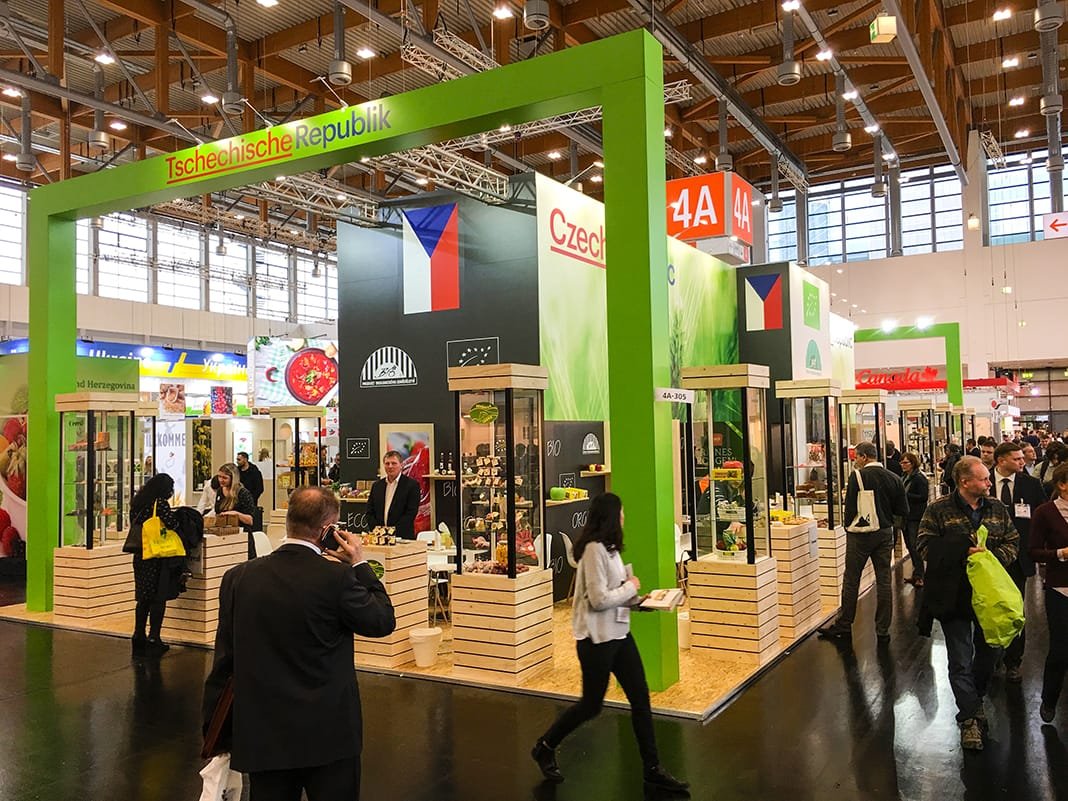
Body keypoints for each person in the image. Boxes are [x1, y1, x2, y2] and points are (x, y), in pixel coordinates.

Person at [202, 486, 396, 800]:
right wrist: (360, 564)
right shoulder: (338, 579)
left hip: (264, 734)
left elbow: (225, 661)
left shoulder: (238, 578)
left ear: (289, 520)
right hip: (329, 735)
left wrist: (214, 731)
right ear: (327, 531)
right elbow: (382, 621)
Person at [531, 493, 689, 795]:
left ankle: (652, 769)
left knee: (640, 699)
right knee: (591, 705)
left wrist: (642, 602)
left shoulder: (611, 550)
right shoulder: (593, 551)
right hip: (597, 641)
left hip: (619, 635)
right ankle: (545, 746)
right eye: (621, 513)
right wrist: (630, 587)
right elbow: (598, 599)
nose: (624, 518)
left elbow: (615, 593)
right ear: (610, 517)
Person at [917, 456, 1019, 751]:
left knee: (991, 653)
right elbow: (924, 546)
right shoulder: (938, 510)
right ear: (964, 482)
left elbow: (1013, 541)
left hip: (991, 595)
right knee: (960, 658)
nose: (989, 483)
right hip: (954, 595)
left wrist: (989, 560)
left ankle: (974, 699)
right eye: (984, 479)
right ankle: (969, 718)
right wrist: (963, 552)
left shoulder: (996, 508)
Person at [818, 441, 908, 644]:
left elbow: (850, 508)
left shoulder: (857, 476)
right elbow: (903, 510)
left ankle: (844, 624)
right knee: (884, 580)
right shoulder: (894, 478)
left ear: (864, 457)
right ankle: (883, 629)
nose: (855, 460)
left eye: (857, 456)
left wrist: (849, 527)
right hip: (884, 532)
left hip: (860, 535)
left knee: (852, 579)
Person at [989, 442, 1046, 682]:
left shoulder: (1031, 484)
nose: (1023, 462)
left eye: (1023, 458)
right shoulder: (982, 481)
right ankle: (990, 656)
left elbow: (1042, 515)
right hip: (987, 557)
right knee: (988, 607)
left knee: (1015, 607)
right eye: (1017, 459)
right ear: (1001, 460)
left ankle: (1013, 661)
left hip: (1018, 557)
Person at [1028, 462, 1068, 723]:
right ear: (1062, 485)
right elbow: (1033, 551)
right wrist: (1060, 554)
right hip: (1060, 588)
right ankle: (1049, 698)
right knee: (1060, 648)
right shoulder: (1045, 513)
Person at [124, 473, 181, 653]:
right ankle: (154, 637)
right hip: (157, 555)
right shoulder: (160, 504)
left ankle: (138, 634)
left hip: (140, 554)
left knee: (143, 597)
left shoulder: (137, 503)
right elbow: (172, 524)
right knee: (158, 597)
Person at [367, 450, 421, 540]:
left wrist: (391, 532)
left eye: (394, 463)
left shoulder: (412, 485)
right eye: (387, 463)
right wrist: (378, 531)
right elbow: (370, 512)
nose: (390, 466)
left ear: (401, 465)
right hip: (379, 538)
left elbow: (410, 513)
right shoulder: (376, 486)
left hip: (402, 538)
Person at [215, 462, 258, 558]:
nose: (221, 480)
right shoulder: (219, 491)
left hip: (242, 537)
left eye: (224, 478)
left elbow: (250, 520)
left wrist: (236, 514)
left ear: (233, 478)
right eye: (219, 477)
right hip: (225, 536)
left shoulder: (243, 493)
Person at [900, 452, 929, 587]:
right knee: (909, 545)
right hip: (906, 516)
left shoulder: (919, 478)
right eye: (902, 462)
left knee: (914, 545)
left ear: (912, 463)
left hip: (915, 517)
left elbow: (923, 497)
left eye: (906, 462)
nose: (903, 465)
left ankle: (920, 575)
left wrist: (906, 495)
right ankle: (916, 573)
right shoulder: (904, 477)